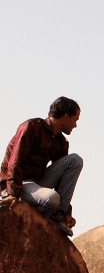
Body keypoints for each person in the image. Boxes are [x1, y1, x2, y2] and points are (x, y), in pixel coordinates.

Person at [0, 97, 83, 237]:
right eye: (75, 120)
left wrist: (67, 212)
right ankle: (34, 226)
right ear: (66, 117)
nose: (75, 125)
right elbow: (14, 162)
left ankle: (58, 216)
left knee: (75, 160)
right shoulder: (31, 127)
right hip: (19, 184)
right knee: (52, 198)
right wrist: (12, 193)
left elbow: (64, 183)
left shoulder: (61, 142)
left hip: (37, 183)